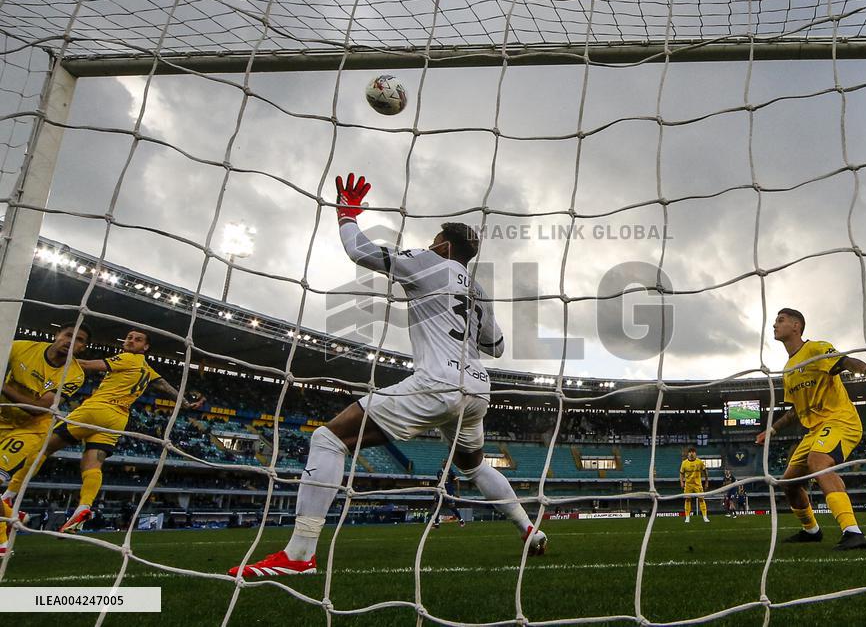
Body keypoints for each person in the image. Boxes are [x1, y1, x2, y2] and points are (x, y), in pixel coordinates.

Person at [228, 173, 545, 577]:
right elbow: (497, 347)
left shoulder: (429, 261)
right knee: (474, 466)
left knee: (328, 439)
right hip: (477, 389)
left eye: (434, 240)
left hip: (438, 382)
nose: (429, 244)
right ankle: (528, 529)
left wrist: (346, 213)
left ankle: (298, 555)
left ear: (445, 246)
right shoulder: (479, 290)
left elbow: (359, 251)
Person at [7, 328, 204, 534]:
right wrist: (183, 402)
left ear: (145, 347)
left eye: (137, 340)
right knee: (92, 464)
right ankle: (83, 507)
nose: (131, 341)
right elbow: (163, 385)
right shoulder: (146, 368)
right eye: (128, 337)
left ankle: (9, 497)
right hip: (119, 419)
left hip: (96, 409)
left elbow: (85, 365)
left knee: (42, 448)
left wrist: (50, 356)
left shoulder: (128, 358)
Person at [755, 308, 866, 551]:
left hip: (840, 420)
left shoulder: (817, 349)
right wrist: (773, 430)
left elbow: (844, 362)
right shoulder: (788, 370)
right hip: (814, 430)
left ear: (796, 326)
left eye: (781, 320)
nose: (774, 325)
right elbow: (795, 411)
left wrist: (865, 369)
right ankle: (812, 530)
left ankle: (853, 532)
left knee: (818, 462)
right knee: (789, 483)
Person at [0, 323, 90, 553]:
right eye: (69, 335)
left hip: (31, 429)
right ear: (56, 335)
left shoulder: (74, 374)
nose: (72, 341)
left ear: (82, 348)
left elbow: (39, 409)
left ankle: (1, 540)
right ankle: (11, 514)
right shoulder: (21, 348)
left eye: (79, 340)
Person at [432, 460, 466, 528]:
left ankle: (461, 520)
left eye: (445, 462)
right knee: (436, 506)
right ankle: (436, 524)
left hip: (448, 491)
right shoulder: (439, 472)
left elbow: (457, 481)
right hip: (440, 490)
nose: (443, 463)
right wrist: (435, 492)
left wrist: (458, 492)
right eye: (443, 462)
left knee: (452, 507)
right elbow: (438, 482)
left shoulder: (451, 472)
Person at [679, 447, 709, 523]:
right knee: (687, 500)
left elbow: (705, 472)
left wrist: (706, 482)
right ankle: (687, 517)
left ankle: (705, 517)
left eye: (693, 452)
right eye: (690, 452)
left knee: (701, 499)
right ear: (688, 454)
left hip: (697, 484)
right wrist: (682, 482)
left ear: (695, 453)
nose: (691, 453)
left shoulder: (699, 462)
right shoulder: (684, 463)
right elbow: (681, 473)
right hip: (688, 485)